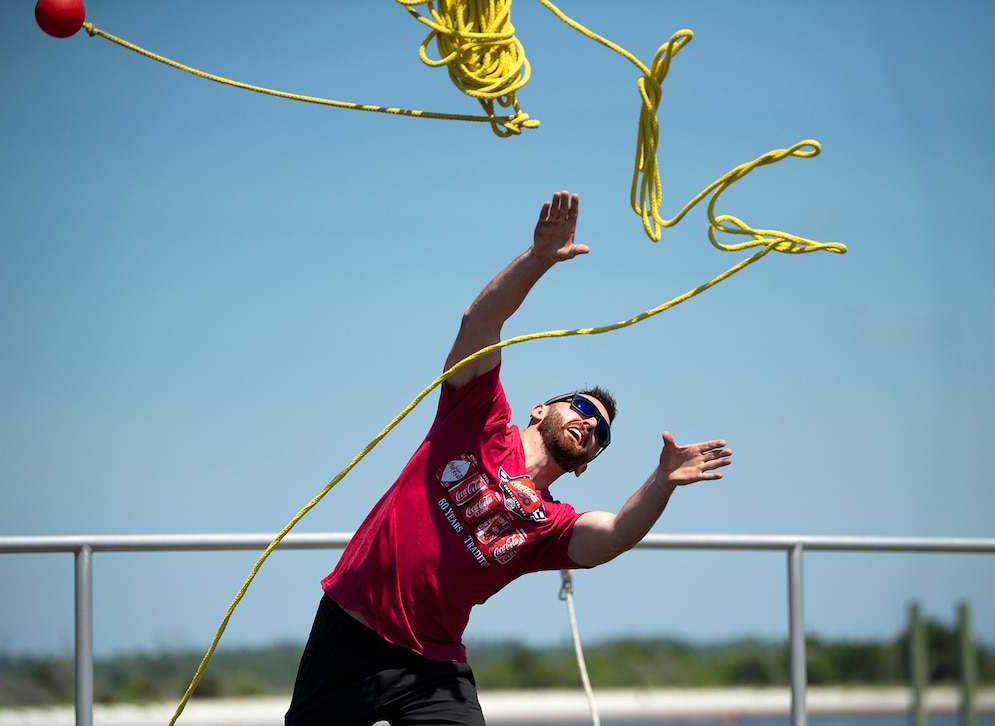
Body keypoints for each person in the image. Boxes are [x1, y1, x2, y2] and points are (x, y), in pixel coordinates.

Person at [285, 190, 732, 726]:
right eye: (584, 408)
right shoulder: (477, 418)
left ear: (586, 463)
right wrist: (539, 258)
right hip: (349, 635)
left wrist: (662, 482)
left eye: (600, 433)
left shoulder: (551, 524)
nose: (591, 423)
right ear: (540, 409)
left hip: (433, 665)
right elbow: (479, 322)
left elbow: (613, 535)